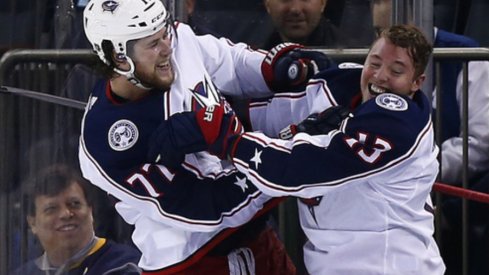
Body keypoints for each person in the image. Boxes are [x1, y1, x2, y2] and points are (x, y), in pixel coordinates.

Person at [155, 24, 447, 274]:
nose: (380, 76)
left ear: (416, 83)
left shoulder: (400, 122)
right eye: (374, 63)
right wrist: (206, 116)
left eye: (397, 70)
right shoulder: (344, 88)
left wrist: (229, 140)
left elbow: (300, 169)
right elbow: (265, 115)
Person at [78, 0, 331, 273]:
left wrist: (271, 70)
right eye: (153, 44)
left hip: (257, 239)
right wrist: (288, 148)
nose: (167, 48)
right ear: (118, 58)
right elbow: (212, 208)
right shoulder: (105, 144)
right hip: (196, 261)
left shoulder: (177, 42)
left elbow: (230, 63)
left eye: (164, 34)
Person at [371, 1, 489, 273]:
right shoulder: (373, 66)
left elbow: (480, 143)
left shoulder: (466, 54)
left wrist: (421, 167)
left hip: (457, 207)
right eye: (380, 32)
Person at [11, 164, 141, 275]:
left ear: (90, 211)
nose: (66, 214)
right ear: (33, 223)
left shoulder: (126, 266)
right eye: (52, 209)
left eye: (74, 204)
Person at [261, 0, 347, 50]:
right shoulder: (254, 62)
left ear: (323, 3)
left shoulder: (351, 57)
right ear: (267, 4)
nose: (295, 9)